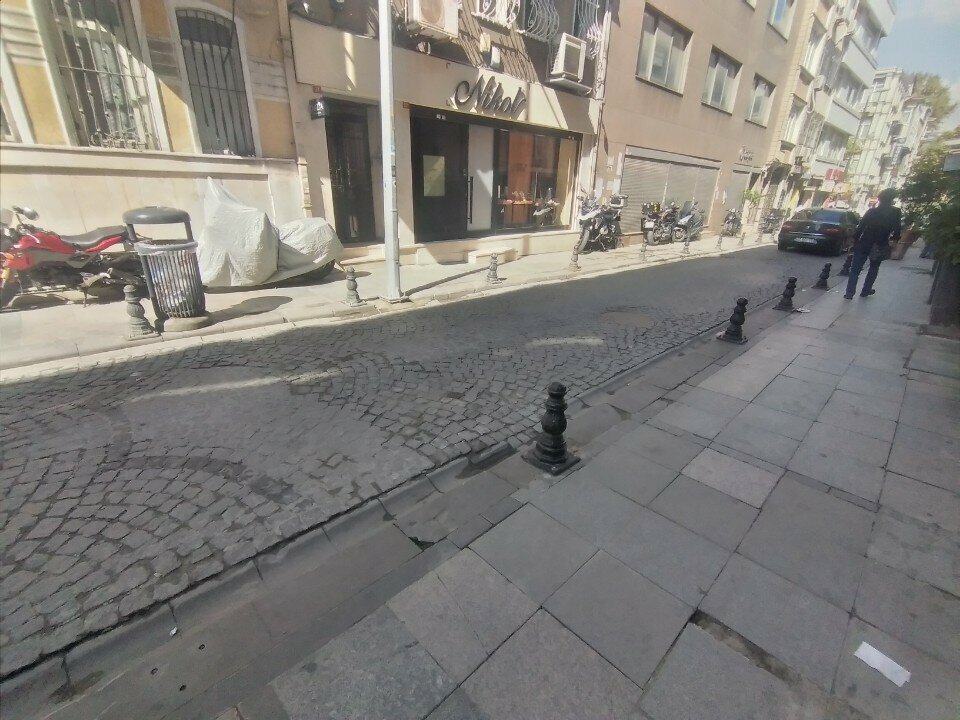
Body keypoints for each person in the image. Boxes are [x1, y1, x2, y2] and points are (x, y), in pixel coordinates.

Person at [844, 187, 902, 299]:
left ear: (879, 199)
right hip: (880, 243)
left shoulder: (871, 211)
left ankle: (849, 293)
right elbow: (897, 228)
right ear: (892, 199)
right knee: (874, 267)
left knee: (855, 269)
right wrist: (894, 241)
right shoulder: (895, 212)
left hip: (864, 242)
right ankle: (866, 290)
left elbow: (860, 228)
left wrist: (854, 241)